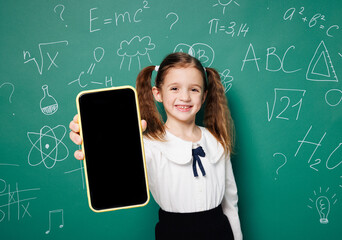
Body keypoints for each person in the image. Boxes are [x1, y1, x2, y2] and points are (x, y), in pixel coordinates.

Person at [69, 52, 242, 240]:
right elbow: (116, 171)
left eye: (194, 89)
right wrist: (94, 144)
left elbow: (230, 204)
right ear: (157, 94)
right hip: (173, 234)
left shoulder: (217, 141)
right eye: (174, 88)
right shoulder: (147, 145)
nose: (184, 97)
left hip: (220, 233)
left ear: (204, 95)